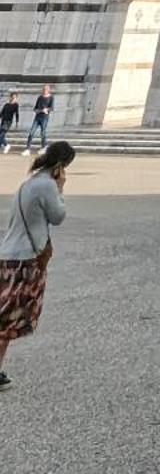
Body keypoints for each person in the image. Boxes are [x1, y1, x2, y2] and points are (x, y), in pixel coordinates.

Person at [0, 140, 74, 390]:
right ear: (61, 166)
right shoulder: (47, 185)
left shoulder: (29, 182)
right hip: (26, 259)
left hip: (9, 254)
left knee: (6, 315)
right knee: (7, 317)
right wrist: (60, 188)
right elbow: (58, 216)